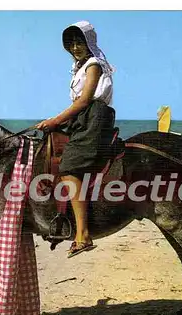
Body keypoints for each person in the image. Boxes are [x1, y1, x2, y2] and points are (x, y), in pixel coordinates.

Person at [35, 21, 115, 258]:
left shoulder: (93, 65)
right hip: (82, 116)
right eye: (71, 44)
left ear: (89, 42)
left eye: (80, 42)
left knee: (69, 167)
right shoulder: (79, 68)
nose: (76, 47)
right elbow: (77, 104)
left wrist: (55, 120)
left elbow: (84, 100)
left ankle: (83, 234)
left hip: (94, 118)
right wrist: (54, 121)